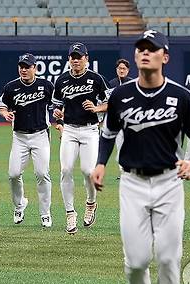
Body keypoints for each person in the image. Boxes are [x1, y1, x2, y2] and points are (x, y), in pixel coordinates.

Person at [91, 30, 190, 284]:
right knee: (136, 262)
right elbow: (108, 134)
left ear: (164, 57)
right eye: (141, 48)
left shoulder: (181, 96)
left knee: (169, 259)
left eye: (152, 48)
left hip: (169, 183)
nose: (145, 52)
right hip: (132, 184)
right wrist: (99, 163)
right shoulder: (120, 95)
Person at [52, 42, 110, 234]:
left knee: (87, 171)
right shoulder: (61, 81)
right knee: (66, 169)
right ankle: (70, 213)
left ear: (87, 59)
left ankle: (91, 203)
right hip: (69, 129)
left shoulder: (96, 79)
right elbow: (56, 106)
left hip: (90, 130)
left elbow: (111, 102)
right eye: (73, 57)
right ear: (69, 59)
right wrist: (58, 115)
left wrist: (96, 108)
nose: (76, 60)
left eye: (79, 57)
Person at [0, 53, 55, 227]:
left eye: (27, 67)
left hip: (40, 136)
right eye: (21, 66)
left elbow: (58, 105)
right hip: (19, 137)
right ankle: (20, 204)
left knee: (42, 174)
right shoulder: (11, 87)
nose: (23, 69)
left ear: (34, 68)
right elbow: (1, 105)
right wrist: (4, 113)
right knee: (13, 174)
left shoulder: (46, 86)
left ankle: (45, 213)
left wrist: (59, 118)